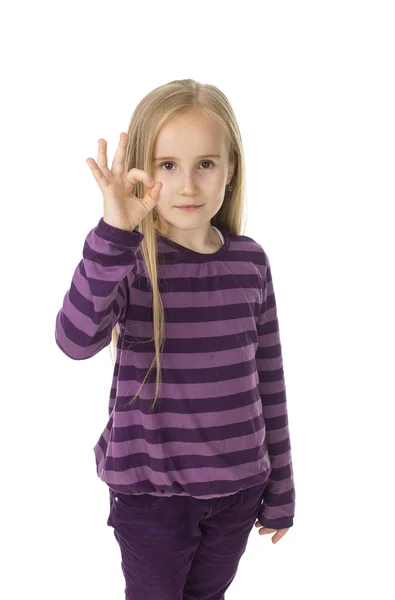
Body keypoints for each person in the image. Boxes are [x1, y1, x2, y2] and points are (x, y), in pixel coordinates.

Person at [55, 78, 295, 600]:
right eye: (168, 165)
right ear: (144, 171)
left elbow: (269, 380)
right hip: (152, 496)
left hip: (238, 490)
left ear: (231, 170)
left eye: (205, 164)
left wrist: (280, 487)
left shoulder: (250, 260)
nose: (188, 185)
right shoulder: (128, 260)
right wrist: (113, 233)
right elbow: (74, 339)